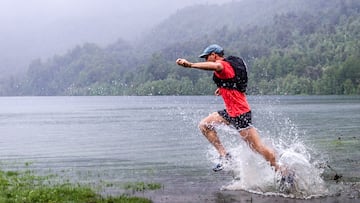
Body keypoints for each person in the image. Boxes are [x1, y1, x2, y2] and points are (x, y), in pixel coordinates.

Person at [176, 44, 280, 172]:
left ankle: (282, 170)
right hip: (231, 112)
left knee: (257, 147)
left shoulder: (223, 65)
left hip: (240, 114)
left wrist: (190, 65)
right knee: (204, 125)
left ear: (214, 55)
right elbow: (232, 81)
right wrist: (222, 88)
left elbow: (217, 66)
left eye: (206, 57)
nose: (205, 60)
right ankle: (225, 155)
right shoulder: (229, 68)